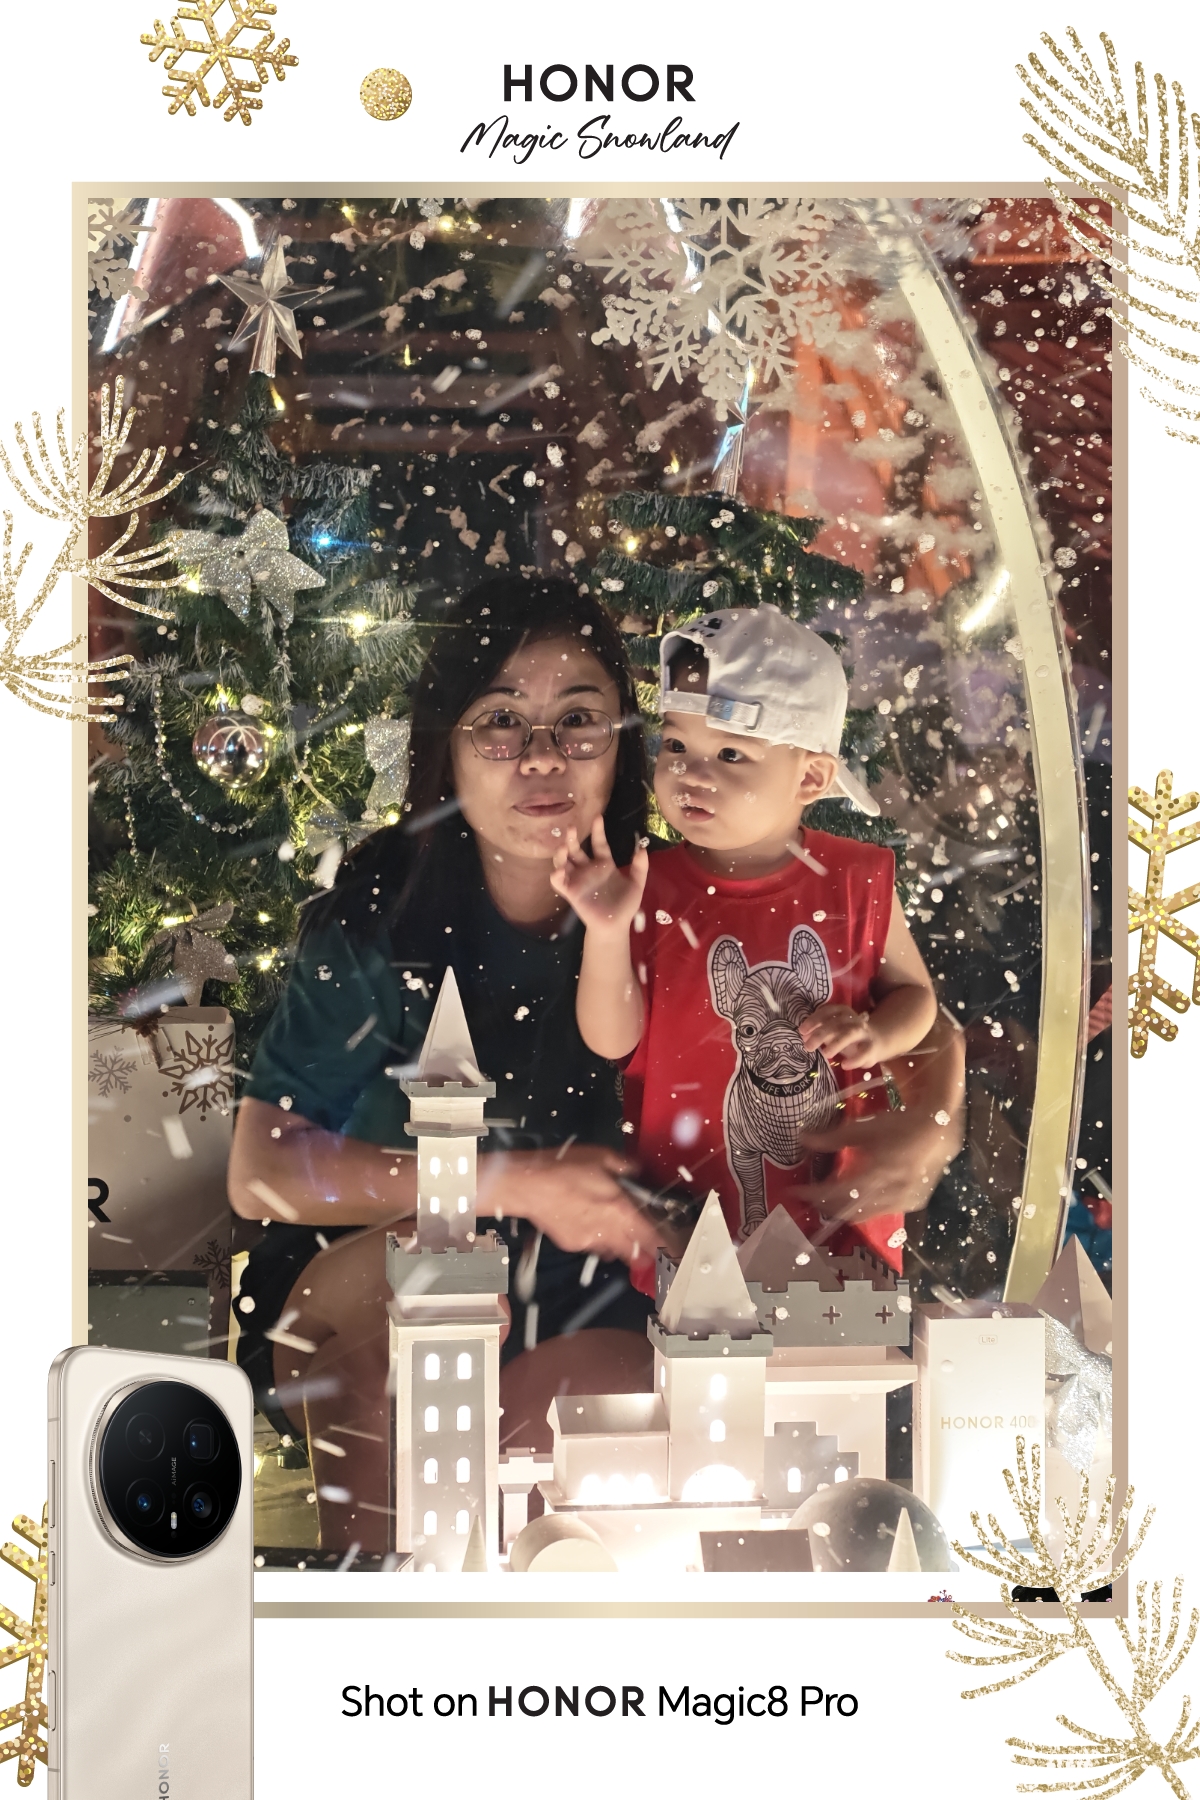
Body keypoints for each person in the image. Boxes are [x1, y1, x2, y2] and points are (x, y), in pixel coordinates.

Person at [228, 576, 664, 1551]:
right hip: (370, 1272)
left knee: (606, 1442)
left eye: (578, 720)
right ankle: (380, 1605)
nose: (542, 756)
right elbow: (261, 1172)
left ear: (621, 742)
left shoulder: (656, 897)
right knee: (414, 1366)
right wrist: (514, 1183)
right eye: (500, 721)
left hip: (585, 1296)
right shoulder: (381, 911)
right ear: (449, 747)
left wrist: (923, 1064)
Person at [551, 602, 940, 1259]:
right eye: (677, 745)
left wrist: (876, 1034)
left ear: (810, 776)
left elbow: (917, 999)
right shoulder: (645, 885)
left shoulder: (856, 879)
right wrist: (608, 933)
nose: (690, 772)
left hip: (839, 1211)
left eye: (730, 753)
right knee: (698, 1325)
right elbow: (613, 1041)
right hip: (690, 1210)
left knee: (839, 1326)